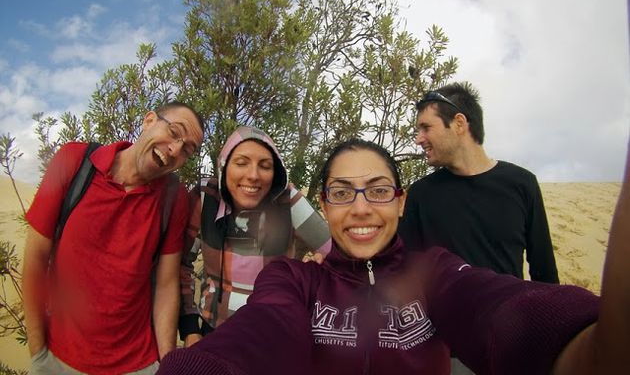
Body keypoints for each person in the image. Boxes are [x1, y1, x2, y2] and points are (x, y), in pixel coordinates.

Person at [156, 137, 630, 374]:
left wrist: (582, 335)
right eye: (342, 192)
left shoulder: (436, 273)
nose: (361, 207)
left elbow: (502, 310)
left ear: (401, 202)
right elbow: (258, 335)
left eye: (378, 190)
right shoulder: (293, 281)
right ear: (325, 206)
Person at [22, 102, 204, 375]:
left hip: (139, 364)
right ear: (149, 120)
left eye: (187, 150)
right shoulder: (73, 161)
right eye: (174, 132)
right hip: (59, 361)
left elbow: (166, 285)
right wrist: (38, 354)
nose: (175, 150)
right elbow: (35, 258)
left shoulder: (173, 198)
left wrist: (166, 364)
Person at [178, 125, 331, 347]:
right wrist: (190, 328)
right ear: (224, 166)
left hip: (273, 335)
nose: (253, 176)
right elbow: (182, 266)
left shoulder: (287, 200)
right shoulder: (206, 197)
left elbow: (336, 253)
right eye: (241, 163)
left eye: (265, 166)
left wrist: (313, 276)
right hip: (213, 332)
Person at [398, 82, 559, 284]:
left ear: (459, 123)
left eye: (426, 127)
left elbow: (544, 272)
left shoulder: (522, 183)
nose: (418, 139)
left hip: (508, 312)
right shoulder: (421, 194)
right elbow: (406, 272)